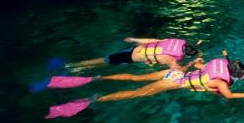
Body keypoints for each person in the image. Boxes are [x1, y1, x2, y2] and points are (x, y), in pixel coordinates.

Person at [45, 53, 244, 118]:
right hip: (171, 83)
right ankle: (93, 99)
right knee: (134, 94)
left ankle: (97, 78)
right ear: (235, 76)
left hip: (173, 72)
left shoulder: (219, 63)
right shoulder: (222, 84)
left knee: (134, 79)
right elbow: (228, 96)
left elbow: (204, 65)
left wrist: (223, 55)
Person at [65, 37, 200, 70]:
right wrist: (191, 64)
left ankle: (78, 67)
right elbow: (177, 71)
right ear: (186, 54)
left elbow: (153, 40)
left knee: (106, 60)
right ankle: (73, 66)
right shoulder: (170, 59)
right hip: (130, 57)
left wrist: (135, 39)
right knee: (104, 61)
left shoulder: (174, 41)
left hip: (132, 50)